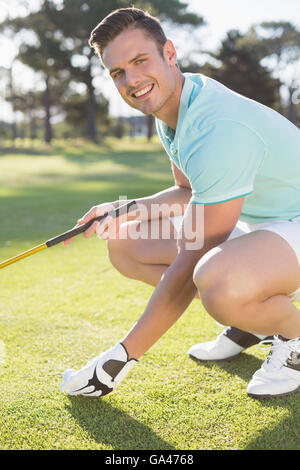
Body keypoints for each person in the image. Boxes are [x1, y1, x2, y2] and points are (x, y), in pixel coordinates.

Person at [60, 7, 300, 399]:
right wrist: (123, 209)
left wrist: (121, 357)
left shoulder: (217, 125)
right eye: (117, 72)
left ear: (169, 53)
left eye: (140, 61)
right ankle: (253, 322)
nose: (132, 80)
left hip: (295, 220)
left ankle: (293, 337)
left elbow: (194, 251)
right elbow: (190, 191)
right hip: (263, 222)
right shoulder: (172, 105)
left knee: (217, 282)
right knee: (126, 243)